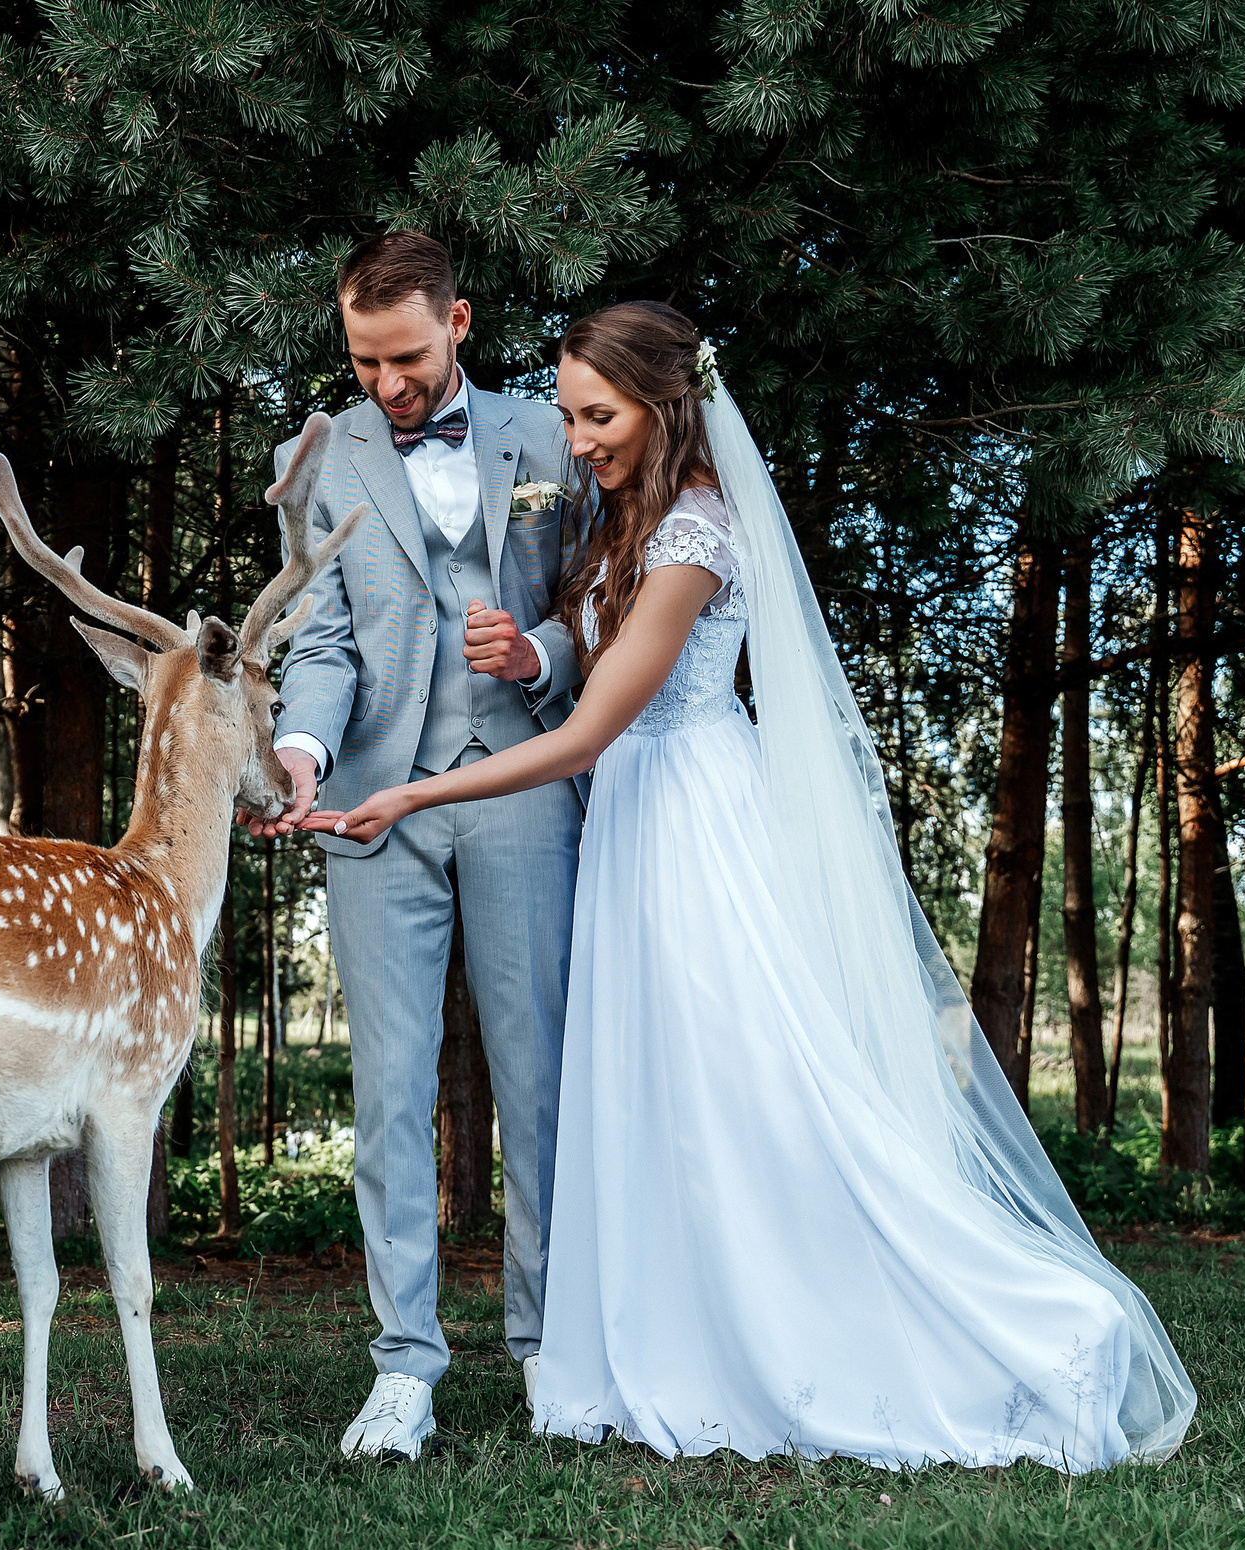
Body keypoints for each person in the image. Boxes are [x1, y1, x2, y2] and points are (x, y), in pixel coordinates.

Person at [322, 302, 1195, 1471]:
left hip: (688, 822)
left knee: (754, 1091)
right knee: (664, 1095)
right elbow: (578, 662)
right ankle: (668, 1328)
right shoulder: (626, 518)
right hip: (632, 826)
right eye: (571, 414)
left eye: (598, 415)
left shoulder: (692, 533)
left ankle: (993, 1331)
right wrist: (528, 645)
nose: (575, 440)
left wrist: (414, 797)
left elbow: (588, 733)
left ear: (665, 403)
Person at [247, 230, 584, 1461]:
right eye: (361, 360)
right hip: (371, 800)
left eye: (403, 356)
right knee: (385, 1090)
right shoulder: (319, 456)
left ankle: (549, 1345)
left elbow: (605, 598)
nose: (385, 384)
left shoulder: (550, 437)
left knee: (538, 1075)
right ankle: (404, 1364)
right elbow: (322, 635)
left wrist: (541, 655)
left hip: (522, 782)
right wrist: (300, 756)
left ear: (460, 324)